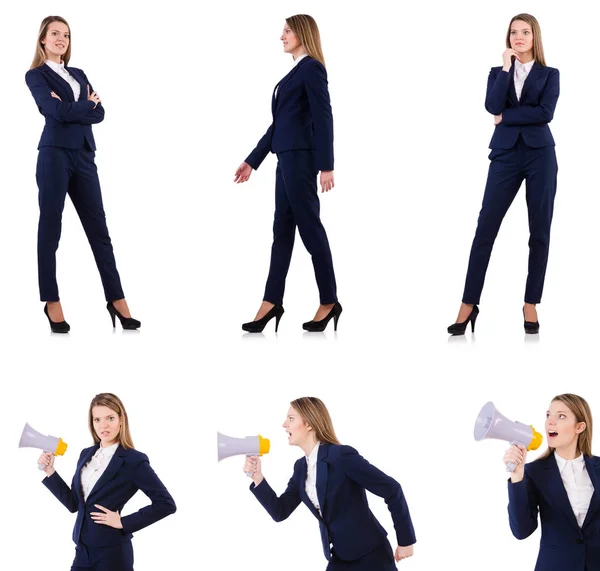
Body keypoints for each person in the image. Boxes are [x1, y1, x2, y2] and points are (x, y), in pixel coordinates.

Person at [25, 16, 140, 333]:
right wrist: (83, 106)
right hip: (54, 154)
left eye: (66, 35)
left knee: (100, 230)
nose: (61, 39)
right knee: (50, 228)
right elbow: (53, 112)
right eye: (55, 34)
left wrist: (81, 107)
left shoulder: (78, 74)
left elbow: (100, 112)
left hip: (85, 156)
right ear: (43, 40)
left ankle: (116, 300)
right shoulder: (35, 76)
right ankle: (52, 301)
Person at [448, 13, 559, 335]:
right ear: (508, 38)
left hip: (541, 155)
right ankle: (468, 305)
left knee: (539, 232)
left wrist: (506, 117)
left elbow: (545, 113)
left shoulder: (551, 74)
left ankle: (530, 304)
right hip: (505, 156)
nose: (519, 37)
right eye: (513, 32)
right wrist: (507, 69)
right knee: (485, 229)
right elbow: (490, 105)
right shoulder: (498, 72)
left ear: (534, 37)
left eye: (525, 32)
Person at [234, 15, 342, 333]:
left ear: (302, 34)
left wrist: (327, 165)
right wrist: (253, 160)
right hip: (285, 160)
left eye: (287, 31)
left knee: (310, 230)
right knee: (281, 233)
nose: (281, 36)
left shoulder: (312, 69)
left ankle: (329, 300)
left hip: (302, 161)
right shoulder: (295, 72)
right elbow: (279, 125)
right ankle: (271, 302)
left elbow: (324, 117)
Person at [244, 397, 416, 569]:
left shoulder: (341, 456)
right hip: (339, 558)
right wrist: (257, 477)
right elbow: (280, 511)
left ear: (309, 424)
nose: (284, 424)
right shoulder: (301, 468)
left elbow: (392, 489)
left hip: (371, 556)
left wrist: (405, 541)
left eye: (291, 418)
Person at [38, 393, 176, 571]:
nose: (103, 425)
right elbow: (74, 504)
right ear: (92, 423)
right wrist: (50, 471)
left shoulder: (134, 460)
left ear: (121, 420)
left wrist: (123, 523)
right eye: (97, 419)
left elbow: (166, 504)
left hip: (113, 554)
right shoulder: (85, 454)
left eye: (110, 418)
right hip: (82, 551)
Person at [504, 394, 599, 570]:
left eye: (561, 416)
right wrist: (517, 475)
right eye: (548, 415)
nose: (550, 422)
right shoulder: (534, 472)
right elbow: (521, 531)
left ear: (580, 426)